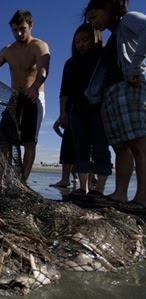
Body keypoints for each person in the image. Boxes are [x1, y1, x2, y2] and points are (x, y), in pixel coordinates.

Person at [84, 0, 146, 211]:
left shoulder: (128, 19)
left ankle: (142, 197)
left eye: (95, 17)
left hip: (129, 87)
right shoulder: (113, 35)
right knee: (120, 146)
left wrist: (136, 66)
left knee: (138, 143)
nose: (93, 23)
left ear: (108, 8)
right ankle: (120, 194)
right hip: (112, 92)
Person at [0, 10, 50, 182]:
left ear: (30, 25)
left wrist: (35, 87)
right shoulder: (8, 50)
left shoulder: (39, 46)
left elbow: (43, 69)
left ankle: (22, 182)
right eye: (15, 30)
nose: (19, 33)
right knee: (3, 139)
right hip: (14, 99)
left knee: (29, 142)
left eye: (22, 29)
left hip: (33, 97)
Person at [59, 23, 112, 200]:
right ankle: (83, 187)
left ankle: (100, 188)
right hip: (77, 110)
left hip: (99, 108)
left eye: (85, 40)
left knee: (100, 146)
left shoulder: (103, 59)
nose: (80, 44)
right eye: (77, 41)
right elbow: (64, 91)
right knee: (80, 148)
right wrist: (63, 112)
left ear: (95, 39)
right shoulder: (70, 64)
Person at [50, 117, 78, 188]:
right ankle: (89, 180)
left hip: (70, 132)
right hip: (82, 132)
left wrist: (62, 136)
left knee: (68, 156)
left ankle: (65, 179)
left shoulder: (65, 113)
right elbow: (55, 127)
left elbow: (55, 126)